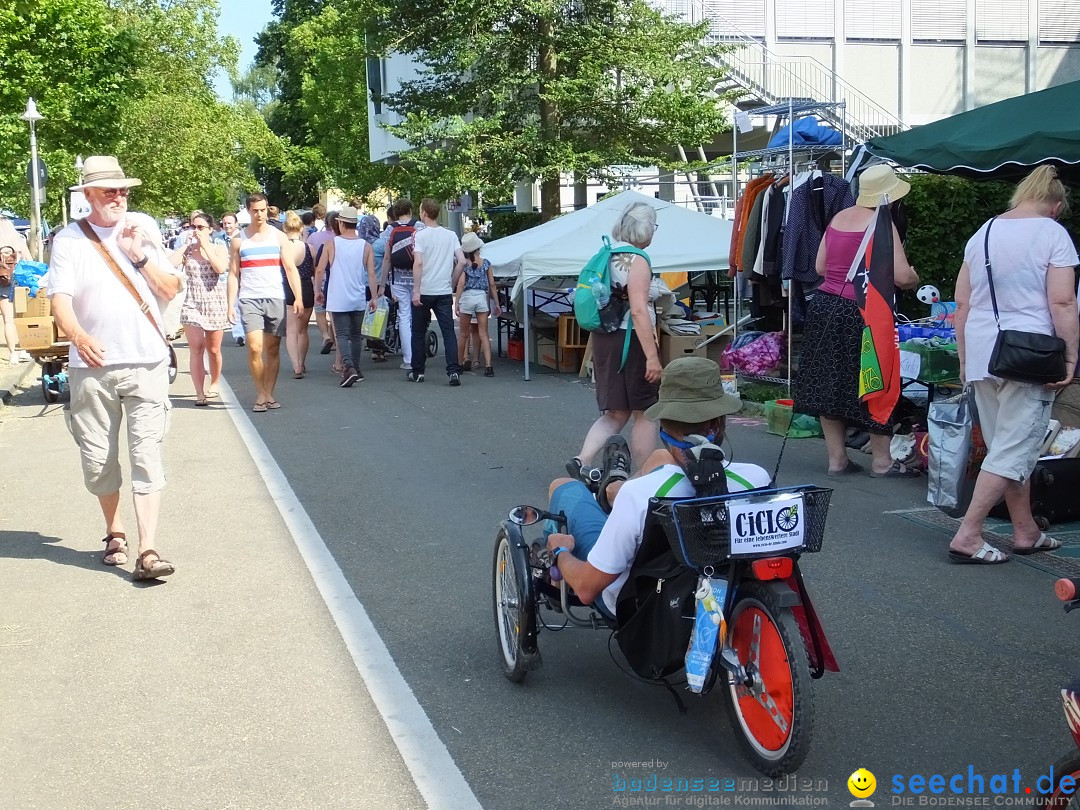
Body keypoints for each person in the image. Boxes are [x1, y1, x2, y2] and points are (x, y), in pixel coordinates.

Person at [543, 357, 770, 616]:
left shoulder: (641, 495)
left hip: (643, 606)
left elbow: (586, 589)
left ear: (663, 423)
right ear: (718, 424)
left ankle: (611, 491)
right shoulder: (756, 478)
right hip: (729, 596)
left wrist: (560, 550)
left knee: (564, 486)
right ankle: (613, 488)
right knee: (660, 460)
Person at [48, 155, 184, 580]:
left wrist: (138, 256)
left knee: (146, 455)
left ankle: (148, 549)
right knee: (99, 460)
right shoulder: (69, 240)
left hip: (147, 361)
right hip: (93, 367)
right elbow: (59, 300)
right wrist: (79, 336)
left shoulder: (142, 229)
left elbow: (171, 286)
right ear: (87, 195)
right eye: (109, 190)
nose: (119, 197)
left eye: (123, 189)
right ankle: (114, 530)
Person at [947, 165, 1079, 565]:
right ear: (1055, 206)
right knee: (1013, 448)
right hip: (1030, 355)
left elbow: (962, 304)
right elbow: (1061, 302)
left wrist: (966, 356)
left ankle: (1026, 531)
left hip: (984, 348)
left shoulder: (982, 232)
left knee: (1005, 446)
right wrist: (1071, 355)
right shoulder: (1053, 233)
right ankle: (968, 535)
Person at [793, 165, 921, 478]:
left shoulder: (838, 217)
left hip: (824, 307)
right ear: (888, 198)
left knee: (829, 382)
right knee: (874, 381)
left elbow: (820, 267)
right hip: (864, 311)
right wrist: (914, 276)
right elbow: (902, 276)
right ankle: (882, 461)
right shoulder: (882, 224)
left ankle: (837, 460)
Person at [566, 201, 663, 485]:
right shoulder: (639, 260)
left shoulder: (606, 254)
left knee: (616, 411)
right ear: (645, 229)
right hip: (631, 341)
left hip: (605, 338)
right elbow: (638, 310)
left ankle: (582, 460)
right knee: (647, 410)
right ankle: (643, 475)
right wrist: (653, 357)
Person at [227, 193, 304, 412]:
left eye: (262, 209)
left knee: (272, 349)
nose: (259, 214)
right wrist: (230, 304)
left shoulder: (278, 237)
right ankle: (260, 393)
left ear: (267, 208)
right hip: (249, 298)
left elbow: (290, 268)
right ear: (248, 211)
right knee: (254, 347)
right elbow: (233, 274)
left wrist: (297, 297)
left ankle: (269, 392)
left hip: (275, 296)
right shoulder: (239, 240)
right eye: (254, 210)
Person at [313, 205, 378, 388]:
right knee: (356, 335)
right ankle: (356, 368)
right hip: (358, 296)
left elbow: (319, 270)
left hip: (337, 296)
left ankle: (348, 367)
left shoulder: (331, 245)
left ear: (341, 223)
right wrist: (373, 297)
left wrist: (318, 291)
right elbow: (371, 274)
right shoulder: (365, 246)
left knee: (341, 334)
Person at [173, 211, 229, 404]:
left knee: (213, 349)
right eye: (193, 227)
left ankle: (214, 382)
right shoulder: (188, 250)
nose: (196, 231)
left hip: (214, 301)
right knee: (196, 347)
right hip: (192, 302)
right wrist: (187, 245)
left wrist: (205, 245)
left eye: (200, 227)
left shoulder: (218, 248)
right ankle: (199, 392)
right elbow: (169, 263)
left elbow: (220, 268)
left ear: (210, 230)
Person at [409, 198, 465, 385]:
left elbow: (418, 263)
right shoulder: (450, 235)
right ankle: (453, 371)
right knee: (448, 331)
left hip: (425, 289)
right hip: (443, 290)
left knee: (418, 332)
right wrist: (452, 282)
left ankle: (418, 372)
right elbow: (462, 261)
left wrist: (416, 290)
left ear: (424, 213)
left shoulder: (420, 236)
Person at [454, 232, 500, 377]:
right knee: (484, 333)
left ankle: (460, 364)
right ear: (478, 248)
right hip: (481, 297)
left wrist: (457, 302)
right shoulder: (486, 263)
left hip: (467, 297)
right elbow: (492, 284)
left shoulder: (464, 265)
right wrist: (497, 304)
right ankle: (488, 366)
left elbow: (461, 284)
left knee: (463, 334)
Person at [383, 199, 420, 371]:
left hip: (398, 278)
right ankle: (420, 356)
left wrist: (382, 284)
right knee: (418, 316)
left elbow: (387, 258)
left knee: (404, 317)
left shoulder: (390, 229)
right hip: (417, 277)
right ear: (410, 210)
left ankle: (408, 359)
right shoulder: (419, 226)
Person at [282, 211, 315, 379]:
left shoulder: (281, 248)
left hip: (287, 288)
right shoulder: (310, 248)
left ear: (284, 228)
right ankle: (301, 362)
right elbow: (314, 271)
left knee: (291, 330)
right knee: (303, 330)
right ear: (301, 228)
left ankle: (296, 366)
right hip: (306, 288)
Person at [308, 211, 339, 357]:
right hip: (336, 279)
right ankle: (334, 338)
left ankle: (326, 337)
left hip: (319, 278)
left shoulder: (314, 237)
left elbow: (309, 256)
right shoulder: (340, 238)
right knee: (334, 311)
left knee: (320, 311)